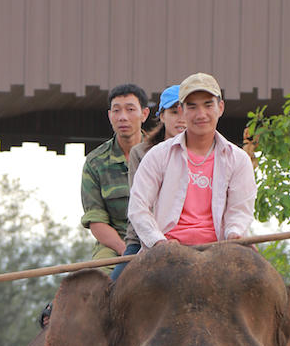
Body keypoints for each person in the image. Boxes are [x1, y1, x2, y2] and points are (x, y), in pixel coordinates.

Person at [128, 72, 257, 249]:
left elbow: (240, 211)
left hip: (219, 249)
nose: (201, 114)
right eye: (192, 106)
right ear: (182, 111)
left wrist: (235, 233)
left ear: (220, 107)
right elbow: (138, 206)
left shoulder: (238, 159)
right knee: (120, 277)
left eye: (208, 105)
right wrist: (158, 241)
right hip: (167, 249)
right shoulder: (157, 155)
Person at [113, 83, 187, 278]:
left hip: (192, 238)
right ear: (161, 116)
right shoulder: (142, 153)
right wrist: (158, 240)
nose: (181, 119)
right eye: (174, 112)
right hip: (143, 239)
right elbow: (142, 205)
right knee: (110, 293)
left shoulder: (205, 152)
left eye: (186, 111)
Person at [80, 82, 150, 260]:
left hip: (159, 239)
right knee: (99, 280)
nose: (123, 117)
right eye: (117, 111)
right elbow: (96, 221)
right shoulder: (95, 162)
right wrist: (125, 251)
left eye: (130, 109)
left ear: (144, 114)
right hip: (115, 244)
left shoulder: (161, 154)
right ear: (110, 115)